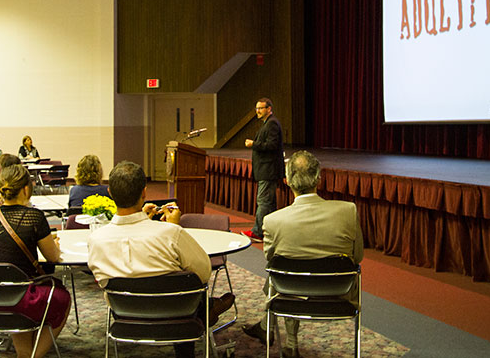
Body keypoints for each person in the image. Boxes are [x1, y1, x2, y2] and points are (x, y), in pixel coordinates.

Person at [87, 161, 234, 358]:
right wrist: (174, 228)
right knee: (186, 285)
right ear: (144, 193)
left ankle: (207, 309)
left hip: (124, 315)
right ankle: (206, 309)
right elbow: (204, 272)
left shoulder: (96, 239)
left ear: (110, 193)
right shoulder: (169, 233)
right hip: (177, 314)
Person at [242, 150, 364, 358]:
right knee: (287, 272)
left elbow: (270, 260)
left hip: (289, 295)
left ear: (287, 180)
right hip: (339, 294)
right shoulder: (348, 211)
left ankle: (279, 336)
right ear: (319, 178)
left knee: (284, 273)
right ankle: (277, 335)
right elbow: (357, 256)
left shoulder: (272, 221)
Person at [0, 165, 71, 358]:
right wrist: (55, 244)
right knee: (62, 297)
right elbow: (52, 257)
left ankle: (24, 353)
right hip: (17, 299)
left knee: (18, 287)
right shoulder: (33, 217)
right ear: (26, 189)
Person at [241, 97, 285, 242]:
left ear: (269, 109)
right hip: (266, 170)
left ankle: (258, 232)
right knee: (269, 202)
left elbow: (272, 145)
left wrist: (254, 144)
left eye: (260, 108)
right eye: (257, 109)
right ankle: (269, 231)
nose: (258, 111)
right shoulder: (268, 123)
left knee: (264, 202)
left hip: (268, 170)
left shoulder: (271, 124)